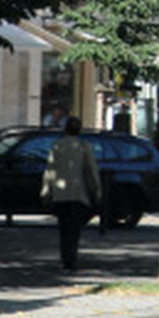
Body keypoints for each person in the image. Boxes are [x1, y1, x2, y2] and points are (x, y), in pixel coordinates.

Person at [41, 115, 104, 272]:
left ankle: (65, 258)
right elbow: (91, 171)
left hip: (60, 193)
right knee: (74, 229)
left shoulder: (57, 146)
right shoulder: (83, 147)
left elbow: (50, 169)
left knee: (63, 228)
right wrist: (96, 191)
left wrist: (46, 190)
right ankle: (71, 259)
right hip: (78, 193)